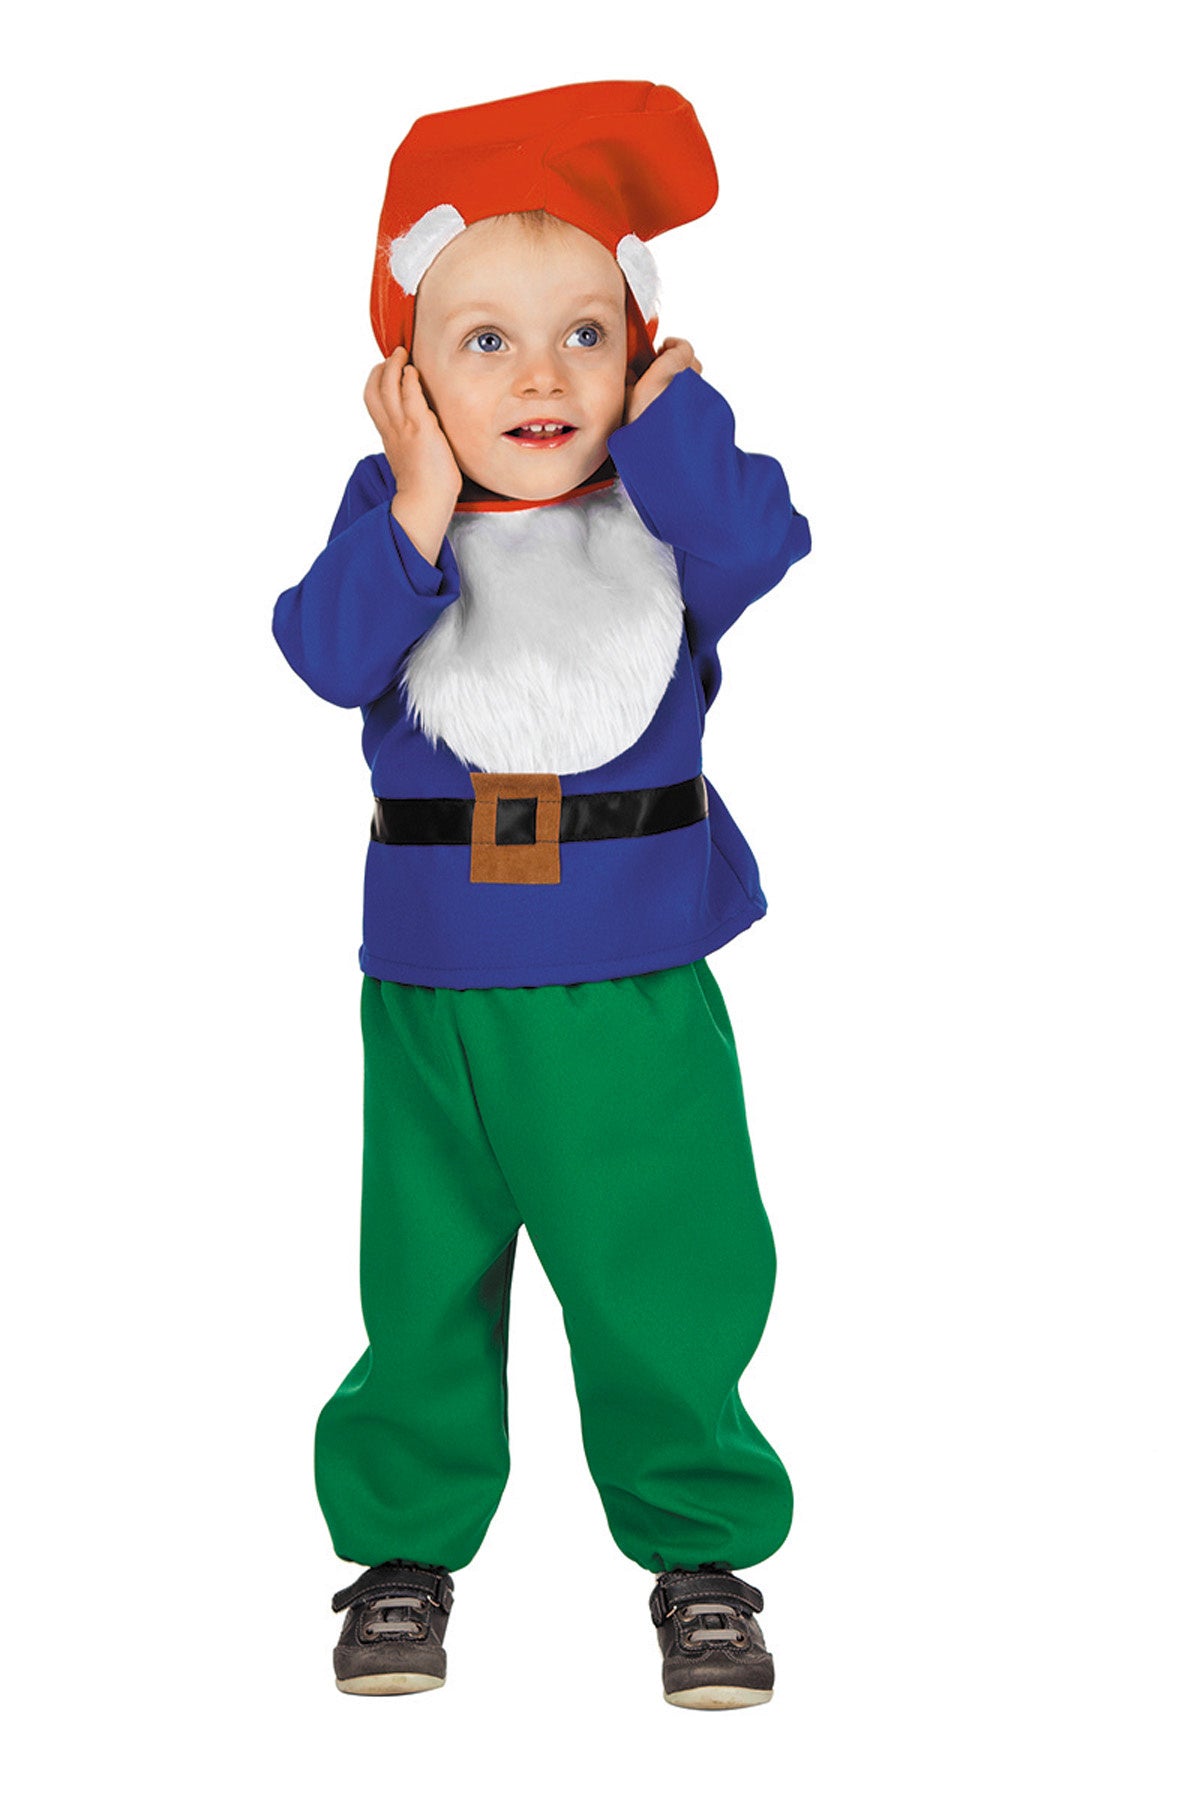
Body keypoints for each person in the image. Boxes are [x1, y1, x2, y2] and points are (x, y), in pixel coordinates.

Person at [272, 80, 812, 1710]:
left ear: (634, 348)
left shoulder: (661, 528)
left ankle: (702, 1560)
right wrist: (412, 504)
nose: (540, 377)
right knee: (421, 1279)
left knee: (670, 1270)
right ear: (410, 377)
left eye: (585, 334)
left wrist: (674, 417)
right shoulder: (395, 524)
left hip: (631, 978)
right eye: (486, 341)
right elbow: (324, 654)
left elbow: (766, 530)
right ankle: (400, 1553)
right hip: (433, 988)